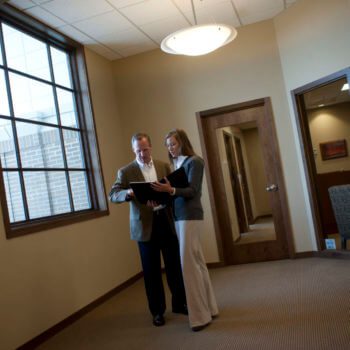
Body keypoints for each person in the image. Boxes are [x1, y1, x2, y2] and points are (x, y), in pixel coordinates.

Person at [109, 132, 187, 327]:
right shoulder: (126, 171)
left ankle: (179, 303)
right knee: (151, 272)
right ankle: (157, 312)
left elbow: (172, 189)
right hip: (144, 227)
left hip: (165, 221)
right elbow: (113, 194)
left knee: (174, 267)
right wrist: (128, 192)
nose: (142, 154)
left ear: (150, 147)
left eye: (145, 150)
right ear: (133, 150)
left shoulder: (163, 165)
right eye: (138, 151)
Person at [152, 129, 219, 332]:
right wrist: (160, 202)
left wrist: (170, 190)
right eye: (168, 145)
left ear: (182, 143)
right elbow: (176, 196)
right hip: (180, 217)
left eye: (173, 144)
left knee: (188, 265)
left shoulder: (194, 161)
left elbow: (193, 191)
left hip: (191, 217)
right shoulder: (177, 165)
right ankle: (210, 308)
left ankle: (199, 317)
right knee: (197, 263)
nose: (170, 148)